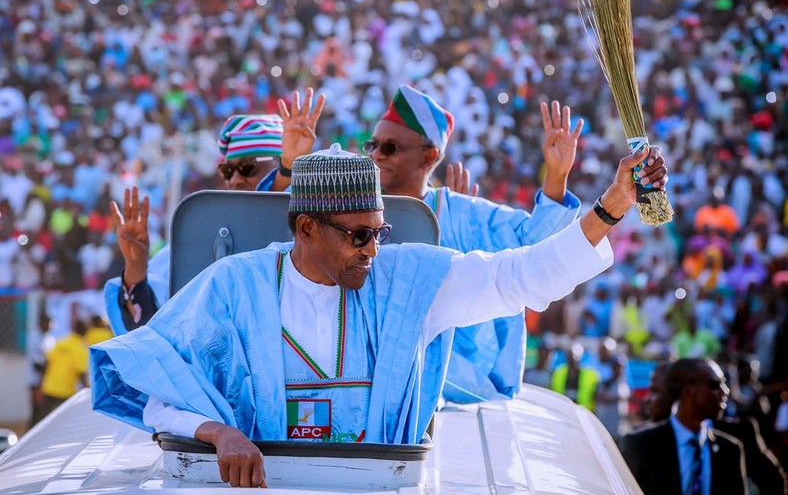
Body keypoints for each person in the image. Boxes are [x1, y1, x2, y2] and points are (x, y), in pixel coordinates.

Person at [90, 137, 667, 488]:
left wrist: (612, 206)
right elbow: (157, 386)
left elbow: (518, 276)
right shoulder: (232, 289)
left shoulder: (407, 279)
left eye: (380, 232)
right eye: (359, 235)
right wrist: (216, 433)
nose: (374, 249)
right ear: (307, 228)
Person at [366, 85, 582, 403]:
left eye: (390, 147)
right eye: (372, 145)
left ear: (429, 156)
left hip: (458, 394)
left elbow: (536, 248)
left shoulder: (465, 214)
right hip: (372, 384)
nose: (376, 155)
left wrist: (556, 176)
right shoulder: (354, 211)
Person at [103, 91, 325, 334]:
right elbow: (148, 332)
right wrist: (136, 268)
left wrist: (286, 171)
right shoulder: (198, 238)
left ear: (279, 164)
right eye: (228, 171)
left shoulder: (311, 229)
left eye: (247, 167)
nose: (236, 180)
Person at [644, 362, 787, 495]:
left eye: (655, 391)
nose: (648, 398)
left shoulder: (737, 438)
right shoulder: (642, 444)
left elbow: (774, 481)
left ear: (685, 391)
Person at [621, 358, 748, 495]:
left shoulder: (730, 450)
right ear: (688, 391)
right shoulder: (641, 446)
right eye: (714, 384)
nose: (725, 391)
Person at [39, 320, 89, 422]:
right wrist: (87, 391)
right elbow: (81, 372)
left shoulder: (61, 342)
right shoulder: (80, 348)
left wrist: (41, 383)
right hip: (66, 391)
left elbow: (47, 362)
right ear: (85, 330)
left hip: (50, 387)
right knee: (63, 421)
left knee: (43, 419)